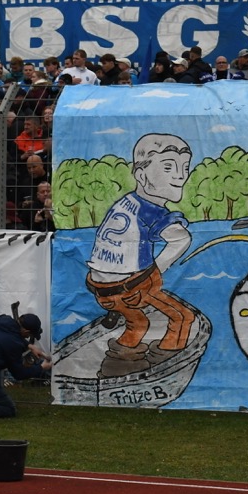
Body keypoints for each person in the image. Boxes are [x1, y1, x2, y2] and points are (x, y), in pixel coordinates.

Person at [86, 133, 196, 377]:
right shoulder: (151, 211)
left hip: (103, 291)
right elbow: (181, 239)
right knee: (182, 317)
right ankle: (164, 364)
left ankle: (116, 365)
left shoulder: (124, 203)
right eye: (168, 166)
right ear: (141, 175)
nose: (180, 175)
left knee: (139, 323)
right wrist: (156, 271)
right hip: (129, 289)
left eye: (185, 167)